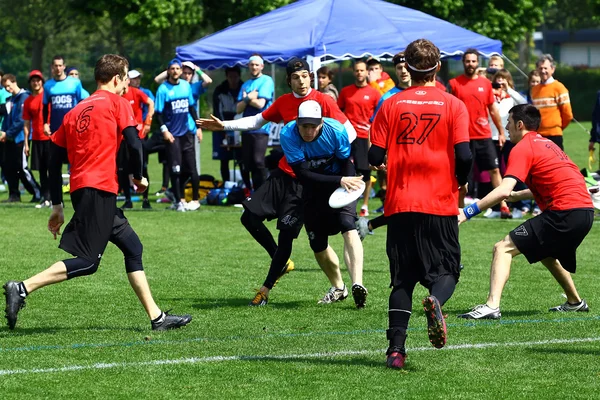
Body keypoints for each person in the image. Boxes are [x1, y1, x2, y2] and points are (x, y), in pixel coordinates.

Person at [3, 54, 192, 331]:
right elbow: (134, 143)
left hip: (84, 190)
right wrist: (139, 176)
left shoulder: (75, 110)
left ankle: (157, 318)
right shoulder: (118, 103)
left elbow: (52, 162)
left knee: (133, 247)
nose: (127, 83)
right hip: (99, 190)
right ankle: (21, 288)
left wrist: (57, 204)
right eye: (126, 78)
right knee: (89, 262)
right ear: (117, 79)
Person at [198, 57, 358, 307]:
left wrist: (332, 168)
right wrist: (224, 125)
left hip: (306, 182)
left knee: (292, 235)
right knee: (248, 216)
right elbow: (256, 121)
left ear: (311, 77)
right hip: (285, 174)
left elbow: (348, 132)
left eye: (305, 76)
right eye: (296, 77)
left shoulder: (323, 101)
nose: (301, 81)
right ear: (289, 81)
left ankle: (267, 287)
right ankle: (279, 260)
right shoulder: (284, 103)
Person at [369, 38, 472, 369]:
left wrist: (388, 161)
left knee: (402, 280)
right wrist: (461, 179)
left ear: (407, 68)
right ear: (438, 67)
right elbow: (465, 154)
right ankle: (436, 302)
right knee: (448, 271)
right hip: (439, 202)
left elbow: (374, 154)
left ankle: (396, 351)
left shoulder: (391, 103)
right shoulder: (454, 105)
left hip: (400, 202)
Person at [458, 104, 593, 319]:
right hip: (584, 212)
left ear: (520, 124)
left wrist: (467, 212)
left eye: (509, 123)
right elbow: (551, 183)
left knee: (503, 248)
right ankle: (575, 302)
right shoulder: (547, 144)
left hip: (564, 212)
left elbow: (503, 189)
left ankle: (492, 306)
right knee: (546, 254)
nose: (506, 127)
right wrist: (516, 196)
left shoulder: (523, 147)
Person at [281, 100, 368, 309]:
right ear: (297, 122)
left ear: (321, 122)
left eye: (313, 126)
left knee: (348, 225)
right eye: (304, 126)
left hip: (342, 184)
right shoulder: (288, 134)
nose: (309, 131)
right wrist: (338, 181)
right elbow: (302, 174)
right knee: (317, 243)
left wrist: (346, 186)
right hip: (313, 188)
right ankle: (339, 287)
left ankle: (358, 284)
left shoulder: (336, 130)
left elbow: (347, 161)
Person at [449, 48, 510, 218]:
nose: (470, 64)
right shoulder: (454, 83)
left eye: (473, 61)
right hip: (462, 137)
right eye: (467, 61)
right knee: (461, 174)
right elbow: (449, 110)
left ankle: (503, 205)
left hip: (483, 135)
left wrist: (501, 132)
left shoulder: (485, 84)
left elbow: (492, 109)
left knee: (495, 170)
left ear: (478, 63)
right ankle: (457, 208)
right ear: (463, 62)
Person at [154, 58, 201, 212]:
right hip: (172, 135)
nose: (175, 71)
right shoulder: (163, 89)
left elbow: (192, 108)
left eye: (177, 69)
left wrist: (198, 126)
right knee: (176, 169)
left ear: (181, 71)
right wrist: (164, 130)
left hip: (186, 133)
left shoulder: (186, 86)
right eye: (172, 69)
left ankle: (195, 200)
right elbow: (158, 113)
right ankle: (178, 201)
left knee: (192, 168)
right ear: (168, 71)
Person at [338, 60, 381, 217]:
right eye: (357, 70)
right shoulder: (345, 91)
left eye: (362, 70)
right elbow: (338, 111)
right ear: (353, 72)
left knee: (366, 173)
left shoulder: (375, 93)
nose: (359, 73)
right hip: (349, 137)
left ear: (367, 72)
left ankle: (365, 205)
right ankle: (349, 204)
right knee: (349, 171)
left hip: (365, 137)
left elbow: (379, 117)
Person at [236, 54, 274, 191]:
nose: (254, 67)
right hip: (246, 127)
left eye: (257, 64)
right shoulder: (246, 84)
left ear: (262, 66)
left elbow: (260, 104)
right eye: (252, 64)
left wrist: (247, 99)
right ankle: (251, 193)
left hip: (261, 127)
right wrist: (248, 99)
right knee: (247, 164)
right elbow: (238, 108)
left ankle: (264, 192)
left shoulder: (266, 81)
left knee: (258, 161)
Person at [0, 74, 41, 203]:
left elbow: (21, 120)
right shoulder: (10, 99)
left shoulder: (24, 97)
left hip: (21, 138)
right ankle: (14, 195)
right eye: (5, 87)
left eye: (9, 85)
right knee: (8, 166)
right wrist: (4, 133)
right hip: (10, 138)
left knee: (22, 167)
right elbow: (8, 118)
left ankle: (37, 192)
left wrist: (8, 133)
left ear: (14, 82)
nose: (7, 89)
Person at [119, 72, 155, 209]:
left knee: (142, 168)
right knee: (123, 170)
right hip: (122, 138)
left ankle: (146, 200)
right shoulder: (118, 96)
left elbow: (151, 103)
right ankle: (128, 200)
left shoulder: (137, 93)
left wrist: (148, 122)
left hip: (138, 137)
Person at [530, 54, 573, 150]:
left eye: (546, 68)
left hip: (554, 135)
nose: (543, 71)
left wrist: (557, 127)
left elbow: (568, 114)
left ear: (552, 69)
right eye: (540, 68)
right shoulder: (534, 90)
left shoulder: (559, 88)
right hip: (538, 136)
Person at [23, 70, 51, 207]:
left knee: (53, 169)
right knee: (41, 170)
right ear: (30, 83)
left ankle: (55, 198)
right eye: (33, 80)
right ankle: (45, 198)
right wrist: (26, 143)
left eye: (38, 80)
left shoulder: (48, 96)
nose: (36, 82)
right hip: (37, 138)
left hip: (50, 137)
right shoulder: (28, 101)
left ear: (42, 82)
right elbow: (26, 123)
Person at [212, 66, 243, 183]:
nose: (233, 79)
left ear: (239, 76)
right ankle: (226, 184)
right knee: (223, 159)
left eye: (235, 77)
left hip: (240, 125)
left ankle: (244, 186)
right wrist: (223, 129)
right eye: (230, 77)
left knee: (241, 158)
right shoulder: (220, 90)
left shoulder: (244, 88)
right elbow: (217, 111)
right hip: (222, 125)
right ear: (226, 77)